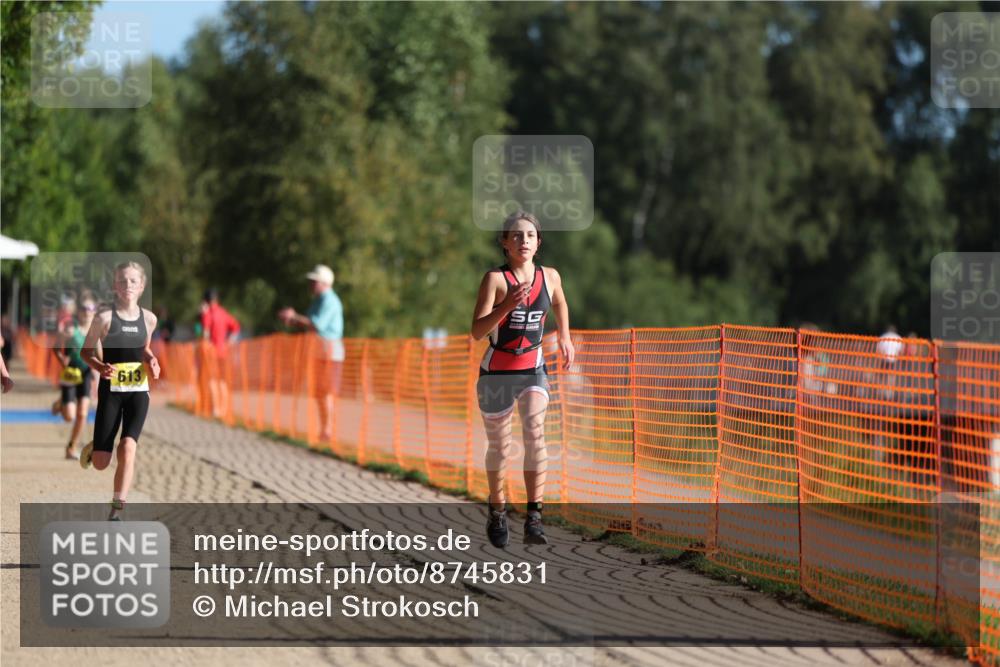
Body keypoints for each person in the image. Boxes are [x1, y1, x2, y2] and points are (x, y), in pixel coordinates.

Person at [470, 211, 574, 547]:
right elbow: (476, 331)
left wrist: (565, 336)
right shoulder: (495, 280)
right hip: (497, 372)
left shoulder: (551, 276)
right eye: (515, 236)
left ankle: (534, 517)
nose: (523, 241)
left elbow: (559, 302)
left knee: (534, 429)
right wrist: (505, 307)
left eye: (529, 235)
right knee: (500, 447)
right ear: (504, 242)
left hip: (533, 368)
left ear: (539, 242)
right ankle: (498, 508)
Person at [79, 262, 160, 521]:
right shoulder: (103, 318)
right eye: (123, 281)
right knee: (102, 463)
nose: (128, 286)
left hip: (138, 390)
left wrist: (152, 360)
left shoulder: (149, 319)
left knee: (127, 447)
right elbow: (85, 352)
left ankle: (117, 510)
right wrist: (100, 366)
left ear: (142, 286)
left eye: (133, 281)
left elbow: (143, 349)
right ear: (115, 286)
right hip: (111, 389)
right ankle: (98, 444)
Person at [278, 264, 344, 442]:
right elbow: (308, 323)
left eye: (314, 281)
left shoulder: (329, 301)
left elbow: (317, 325)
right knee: (320, 392)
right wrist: (292, 320)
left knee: (327, 391)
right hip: (319, 352)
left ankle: (328, 430)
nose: (311, 284)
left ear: (324, 282)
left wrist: (294, 316)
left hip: (330, 353)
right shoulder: (318, 300)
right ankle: (325, 429)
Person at [53, 295, 98, 459]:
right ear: (79, 312)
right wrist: (63, 362)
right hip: (71, 373)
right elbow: (56, 348)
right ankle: (61, 404)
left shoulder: (96, 332)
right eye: (85, 309)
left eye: (91, 309)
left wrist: (98, 374)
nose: (88, 312)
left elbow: (99, 356)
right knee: (69, 416)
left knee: (82, 414)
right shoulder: (71, 329)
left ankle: (71, 448)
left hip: (86, 374)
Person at [200, 288, 241, 419]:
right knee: (222, 380)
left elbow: (205, 334)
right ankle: (223, 410)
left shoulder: (208, 314)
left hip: (212, 353)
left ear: (206, 301)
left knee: (212, 380)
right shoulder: (223, 313)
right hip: (224, 352)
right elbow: (236, 328)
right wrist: (229, 342)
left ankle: (215, 409)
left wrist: (204, 345)